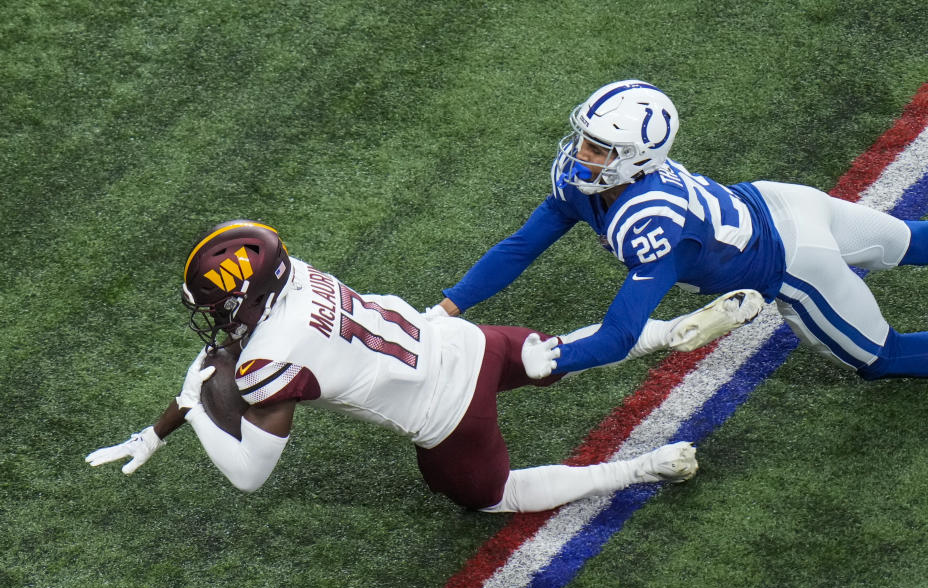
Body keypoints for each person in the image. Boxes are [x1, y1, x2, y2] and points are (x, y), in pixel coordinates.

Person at [85, 220, 762, 513]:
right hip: (469, 343)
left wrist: (201, 405)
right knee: (549, 354)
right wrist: (158, 429)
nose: (212, 322)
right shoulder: (299, 281)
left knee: (492, 497)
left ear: (248, 296)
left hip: (448, 417)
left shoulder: (268, 356)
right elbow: (219, 355)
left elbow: (248, 472)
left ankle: (643, 468)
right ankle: (669, 331)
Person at [435, 80, 928, 380]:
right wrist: (445, 308)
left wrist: (551, 359)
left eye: (598, 148)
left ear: (636, 158)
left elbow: (618, 336)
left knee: (882, 357)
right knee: (906, 241)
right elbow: (519, 248)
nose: (581, 154)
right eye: (585, 139)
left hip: (797, 261)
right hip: (779, 201)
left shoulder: (651, 220)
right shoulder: (589, 185)